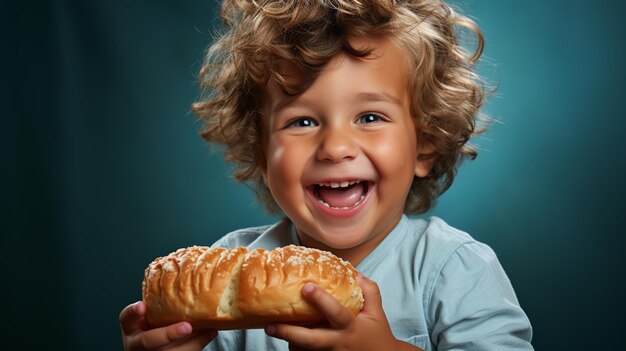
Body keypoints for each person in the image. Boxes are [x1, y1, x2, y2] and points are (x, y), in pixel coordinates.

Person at [120, 0, 534, 350]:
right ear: (262, 152)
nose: (336, 147)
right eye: (301, 122)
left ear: (424, 144)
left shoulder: (453, 269)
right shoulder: (232, 274)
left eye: (370, 117)